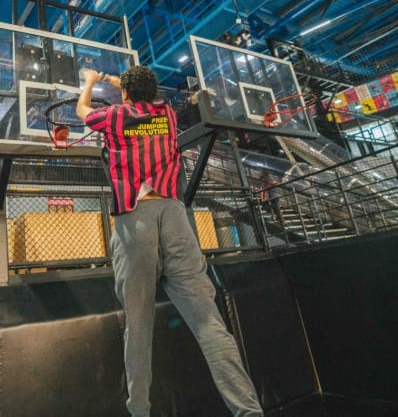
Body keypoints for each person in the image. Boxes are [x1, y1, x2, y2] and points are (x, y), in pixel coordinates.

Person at [76, 66, 263, 417]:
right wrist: (122, 83)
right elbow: (141, 102)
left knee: (139, 324)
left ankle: (139, 411)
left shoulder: (115, 116)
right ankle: (249, 411)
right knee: (209, 323)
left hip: (136, 219)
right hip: (176, 217)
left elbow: (82, 112)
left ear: (126, 95)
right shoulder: (167, 117)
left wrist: (90, 81)